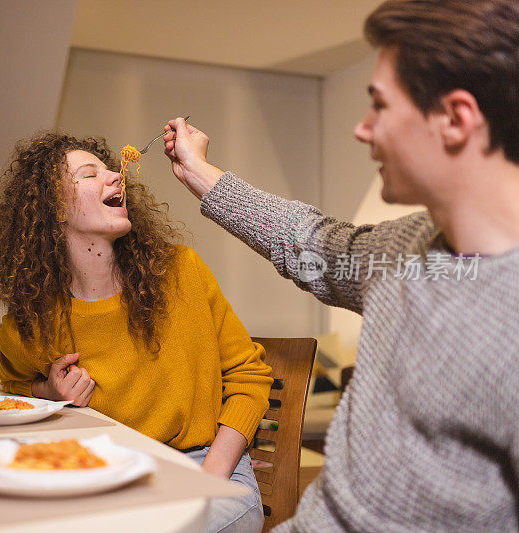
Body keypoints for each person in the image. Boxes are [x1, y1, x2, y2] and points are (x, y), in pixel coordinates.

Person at [163, 0, 519, 531]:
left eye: (379, 105)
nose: (362, 128)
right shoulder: (406, 248)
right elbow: (312, 244)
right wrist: (200, 175)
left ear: (455, 119)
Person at [0, 132, 273, 532]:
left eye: (112, 169)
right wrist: (48, 392)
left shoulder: (181, 272)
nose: (115, 177)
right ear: (50, 209)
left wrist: (206, 481)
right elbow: (11, 387)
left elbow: (249, 376)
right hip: (105, 474)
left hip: (205, 466)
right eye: (90, 175)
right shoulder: (37, 318)